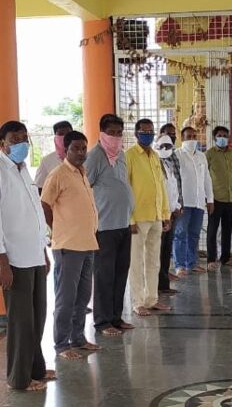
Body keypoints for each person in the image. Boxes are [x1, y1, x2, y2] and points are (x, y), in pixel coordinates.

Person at [0, 121, 52, 391]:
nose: (21, 143)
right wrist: (2, 262)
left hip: (34, 255)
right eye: (15, 139)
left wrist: (44, 250)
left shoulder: (23, 170)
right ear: (3, 144)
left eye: (24, 138)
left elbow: (36, 213)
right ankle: (18, 378)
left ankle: (35, 368)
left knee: (38, 315)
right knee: (21, 321)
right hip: (14, 259)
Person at [41, 131, 101, 360]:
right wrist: (57, 229)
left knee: (82, 297)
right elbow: (44, 205)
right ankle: (61, 344)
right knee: (66, 298)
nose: (81, 152)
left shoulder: (82, 173)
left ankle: (78, 338)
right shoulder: (58, 174)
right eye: (75, 148)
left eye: (84, 148)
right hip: (67, 247)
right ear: (65, 150)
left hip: (87, 244)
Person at [86, 114, 135, 336]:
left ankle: (116, 317)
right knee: (104, 275)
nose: (115, 136)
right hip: (104, 226)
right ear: (102, 132)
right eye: (111, 132)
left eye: (119, 132)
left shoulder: (121, 155)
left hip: (123, 224)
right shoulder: (95, 156)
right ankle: (102, 321)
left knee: (120, 273)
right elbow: (85, 187)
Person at [126, 118, 171, 317]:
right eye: (144, 131)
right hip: (137, 218)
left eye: (151, 131)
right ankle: (137, 302)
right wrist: (130, 219)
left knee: (154, 260)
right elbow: (126, 189)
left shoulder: (155, 156)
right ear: (136, 134)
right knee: (136, 262)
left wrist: (165, 214)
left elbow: (161, 187)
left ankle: (152, 299)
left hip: (156, 216)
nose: (148, 134)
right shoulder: (129, 156)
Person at [174, 126, 213, 276]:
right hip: (183, 202)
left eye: (194, 136)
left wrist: (210, 199)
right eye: (188, 136)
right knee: (180, 234)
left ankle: (192, 263)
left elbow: (207, 178)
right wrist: (175, 203)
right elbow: (174, 180)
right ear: (182, 138)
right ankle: (179, 265)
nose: (192, 139)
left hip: (198, 202)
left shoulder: (201, 156)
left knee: (194, 234)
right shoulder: (177, 155)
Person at [205, 126, 232, 271]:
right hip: (215, 198)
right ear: (214, 138)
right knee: (212, 230)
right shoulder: (209, 154)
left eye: (225, 135)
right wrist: (208, 198)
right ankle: (211, 259)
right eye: (219, 135)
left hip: (230, 197)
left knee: (227, 230)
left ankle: (225, 257)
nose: (222, 138)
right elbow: (205, 176)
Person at [154, 135, 182, 295]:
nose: (165, 149)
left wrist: (177, 206)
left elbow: (173, 189)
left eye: (168, 146)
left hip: (170, 214)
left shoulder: (169, 165)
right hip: (159, 215)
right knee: (157, 251)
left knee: (166, 251)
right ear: (157, 146)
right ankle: (156, 286)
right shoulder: (154, 164)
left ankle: (164, 285)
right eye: (162, 146)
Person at [34, 120, 72, 193]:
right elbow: (39, 187)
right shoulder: (47, 161)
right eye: (61, 134)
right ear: (55, 138)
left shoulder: (83, 158)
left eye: (68, 134)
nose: (65, 137)